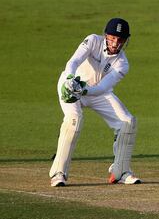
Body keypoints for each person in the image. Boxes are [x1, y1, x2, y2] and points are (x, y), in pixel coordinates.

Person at [49, 18, 141, 187]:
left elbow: (101, 87)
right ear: (105, 35)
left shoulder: (122, 64)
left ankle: (120, 171)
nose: (115, 43)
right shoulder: (92, 40)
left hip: (94, 92)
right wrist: (71, 80)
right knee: (74, 120)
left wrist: (83, 90)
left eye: (120, 40)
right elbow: (73, 62)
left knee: (128, 122)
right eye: (112, 38)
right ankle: (58, 173)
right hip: (70, 86)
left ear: (126, 40)